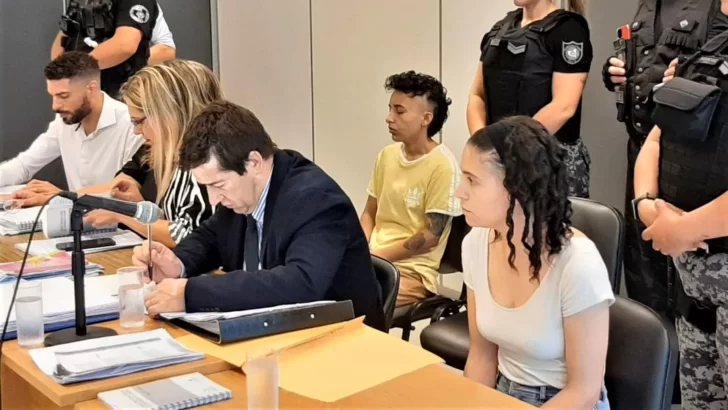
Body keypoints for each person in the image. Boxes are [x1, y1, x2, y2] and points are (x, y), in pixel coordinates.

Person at [133, 100, 386, 330]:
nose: (213, 199)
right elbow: (211, 237)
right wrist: (177, 264)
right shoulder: (243, 191)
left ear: (253, 162)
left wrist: (191, 294)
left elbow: (300, 282)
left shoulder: (316, 199)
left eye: (218, 185)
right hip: (276, 333)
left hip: (342, 340)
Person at [459, 117, 614, 409]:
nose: (459, 192)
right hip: (504, 390)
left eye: (472, 180)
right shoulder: (475, 243)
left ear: (517, 187)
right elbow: (481, 358)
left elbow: (584, 392)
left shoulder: (578, 263)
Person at [603, 0, 726, 329]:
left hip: (698, 177)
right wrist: (617, 75)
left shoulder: (709, 8)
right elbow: (651, 69)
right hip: (649, 154)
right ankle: (656, 354)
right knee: (645, 274)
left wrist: (683, 229)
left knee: (680, 282)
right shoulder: (648, 6)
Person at [635, 3, 728, 405]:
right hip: (695, 296)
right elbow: (658, 135)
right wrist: (646, 206)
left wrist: (682, 230)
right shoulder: (710, 52)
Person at [78, 60, 218, 248]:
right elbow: (176, 219)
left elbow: (186, 234)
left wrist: (122, 214)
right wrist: (139, 207)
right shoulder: (179, 158)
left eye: (139, 121)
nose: (137, 131)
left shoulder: (203, 162)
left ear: (168, 114)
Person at [466, 0, 593, 198]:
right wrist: (483, 146)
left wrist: (510, 149)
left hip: (546, 159)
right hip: (497, 161)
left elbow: (564, 106)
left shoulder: (569, 30)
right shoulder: (500, 29)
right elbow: (477, 96)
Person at [360, 71, 461, 307]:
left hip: (411, 273)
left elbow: (430, 237)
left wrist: (372, 257)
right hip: (372, 262)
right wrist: (360, 250)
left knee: (359, 301)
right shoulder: (386, 156)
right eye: (390, 109)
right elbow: (369, 213)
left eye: (399, 111)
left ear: (426, 118)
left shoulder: (443, 166)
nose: (389, 118)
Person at [0, 52, 142, 193]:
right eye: (53, 96)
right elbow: (24, 165)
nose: (55, 106)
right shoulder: (64, 121)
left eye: (63, 96)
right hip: (71, 206)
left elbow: (125, 190)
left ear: (91, 89)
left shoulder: (131, 125)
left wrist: (62, 196)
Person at [51, 0, 158, 98]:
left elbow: (125, 45)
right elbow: (64, 40)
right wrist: (62, 73)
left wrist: (75, 71)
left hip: (123, 92)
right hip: (84, 91)